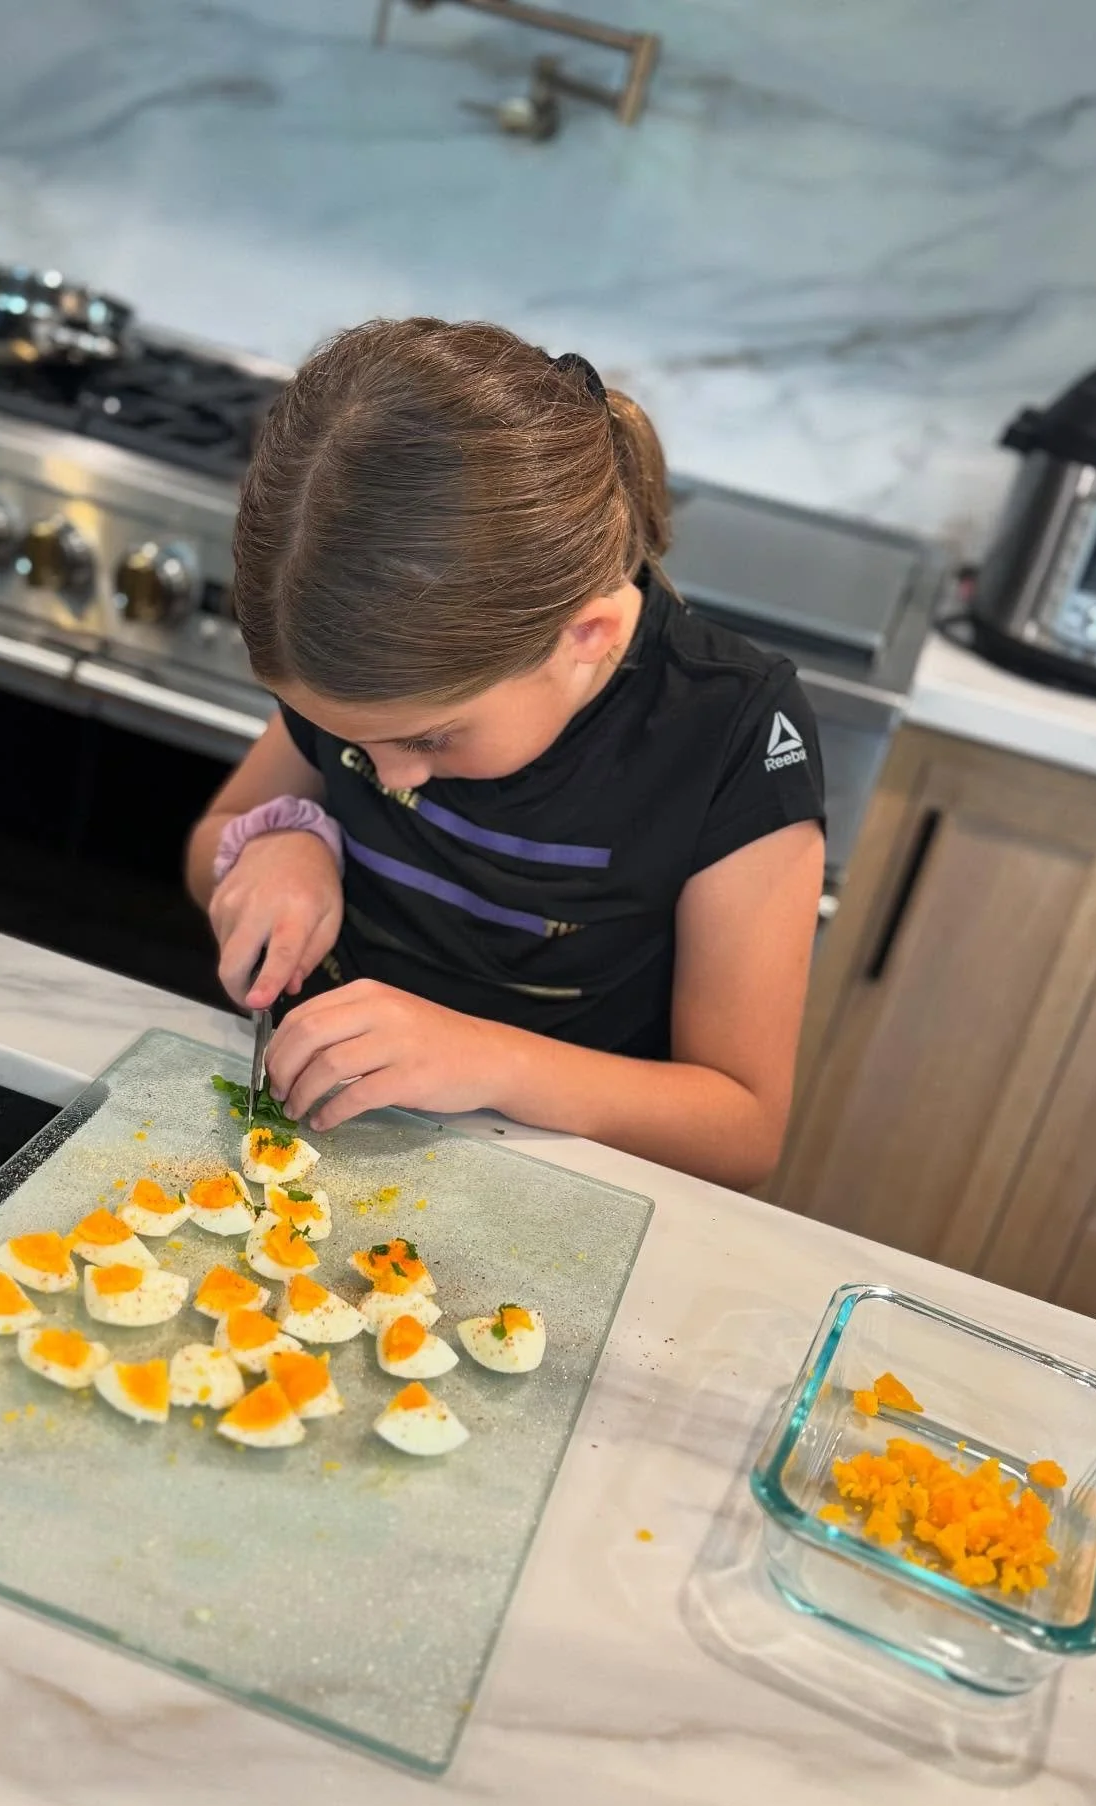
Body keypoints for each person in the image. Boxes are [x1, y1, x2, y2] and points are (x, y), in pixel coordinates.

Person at [185, 318, 825, 1189]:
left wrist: (488, 1061)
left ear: (586, 636)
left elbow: (741, 1127)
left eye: (428, 739)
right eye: (348, 742)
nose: (389, 773)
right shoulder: (368, 675)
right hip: (309, 1150)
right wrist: (272, 848)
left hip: (541, 1191)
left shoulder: (729, 730)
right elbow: (213, 841)